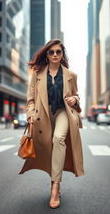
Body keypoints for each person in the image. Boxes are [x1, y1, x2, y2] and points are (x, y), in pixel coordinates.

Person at [19, 39, 84, 209]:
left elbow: (77, 96)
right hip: (43, 114)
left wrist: (74, 99)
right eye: (51, 52)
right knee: (49, 149)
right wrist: (30, 114)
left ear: (62, 55)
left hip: (63, 111)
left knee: (58, 139)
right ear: (46, 55)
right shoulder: (37, 75)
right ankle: (55, 180)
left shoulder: (71, 75)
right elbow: (30, 100)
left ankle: (55, 186)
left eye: (58, 52)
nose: (55, 54)